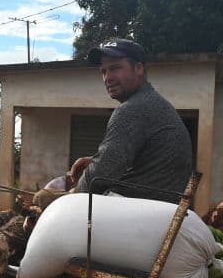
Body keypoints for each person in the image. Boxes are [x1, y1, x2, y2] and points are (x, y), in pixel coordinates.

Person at [67, 38, 193, 204]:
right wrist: (93, 160)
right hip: (155, 206)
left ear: (138, 68)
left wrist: (72, 196)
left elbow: (101, 174)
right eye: (103, 72)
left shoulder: (133, 109)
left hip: (140, 210)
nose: (107, 78)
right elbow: (131, 159)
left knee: (43, 198)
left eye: (115, 68)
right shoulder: (152, 102)